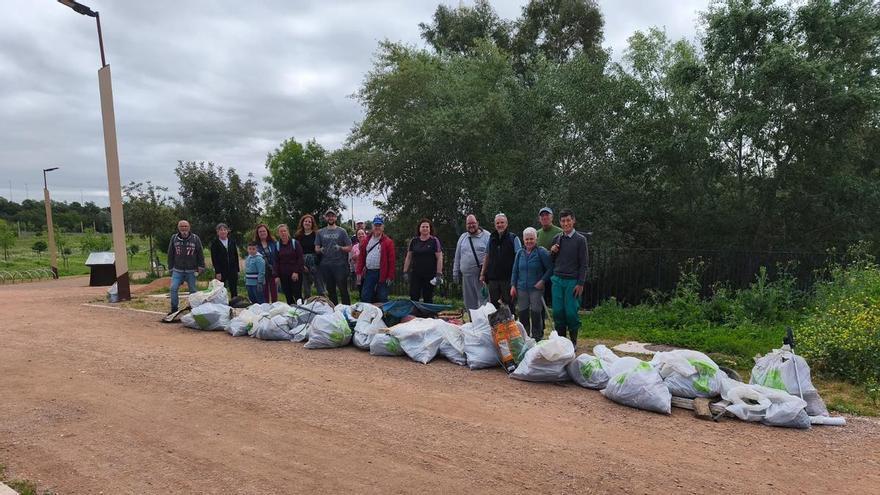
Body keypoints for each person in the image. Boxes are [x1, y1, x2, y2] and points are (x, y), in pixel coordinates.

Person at [549, 209, 588, 347]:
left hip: (573, 281)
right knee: (558, 312)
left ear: (573, 220)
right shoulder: (557, 239)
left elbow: (584, 264)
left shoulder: (580, 240)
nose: (566, 223)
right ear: (560, 222)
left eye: (568, 220)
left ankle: (573, 341)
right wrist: (552, 252)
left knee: (571, 313)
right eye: (563, 221)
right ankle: (562, 343)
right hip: (557, 279)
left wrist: (581, 283)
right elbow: (552, 261)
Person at [510, 227, 553, 341]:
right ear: (523, 240)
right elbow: (515, 271)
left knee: (536, 313)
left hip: (536, 289)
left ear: (536, 239)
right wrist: (513, 285)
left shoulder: (541, 252)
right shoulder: (520, 253)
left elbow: (550, 269)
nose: (529, 241)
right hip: (521, 288)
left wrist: (543, 281)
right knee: (523, 313)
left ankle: (537, 337)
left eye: (531, 239)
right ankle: (525, 338)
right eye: (526, 239)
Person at [480, 213, 522, 315]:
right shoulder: (491, 238)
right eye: (497, 223)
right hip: (493, 279)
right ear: (495, 225)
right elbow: (487, 255)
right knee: (494, 307)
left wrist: (517, 277)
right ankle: (497, 329)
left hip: (508, 279)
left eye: (502, 222)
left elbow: (519, 257)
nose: (500, 225)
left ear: (506, 224)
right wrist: (482, 273)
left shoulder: (513, 238)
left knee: (509, 307)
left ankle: (511, 328)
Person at [452, 214, 490, 310]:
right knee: (469, 303)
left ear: (477, 223)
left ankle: (484, 323)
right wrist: (455, 272)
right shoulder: (463, 237)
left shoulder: (487, 236)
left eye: (473, 223)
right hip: (466, 276)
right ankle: (472, 322)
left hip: (481, 276)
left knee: (484, 302)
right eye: (468, 224)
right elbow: (457, 256)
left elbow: (492, 256)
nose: (471, 225)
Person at [315, 209, 353, 305]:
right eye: (328, 216)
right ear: (325, 218)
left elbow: (349, 247)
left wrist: (340, 248)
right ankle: (334, 310)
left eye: (332, 216)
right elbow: (316, 248)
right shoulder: (320, 232)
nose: (330, 218)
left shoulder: (342, 231)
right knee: (331, 290)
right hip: (326, 265)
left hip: (340, 265)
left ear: (335, 218)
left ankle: (346, 310)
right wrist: (320, 250)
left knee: (343, 290)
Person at [167, 220, 205, 313]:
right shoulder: (174, 238)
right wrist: (170, 267)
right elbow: (170, 253)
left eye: (186, 226)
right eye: (182, 226)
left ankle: (194, 309)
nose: (184, 228)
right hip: (177, 269)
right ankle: (174, 309)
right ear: (178, 228)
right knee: (173, 288)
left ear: (189, 227)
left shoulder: (195, 238)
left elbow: (200, 252)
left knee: (193, 290)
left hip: (191, 270)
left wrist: (201, 266)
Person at [356, 216, 396, 304]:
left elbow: (391, 261)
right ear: (372, 227)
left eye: (379, 225)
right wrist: (358, 272)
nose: (377, 227)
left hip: (382, 272)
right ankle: (366, 315)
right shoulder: (366, 240)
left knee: (382, 296)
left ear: (383, 227)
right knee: (365, 295)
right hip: (369, 272)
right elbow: (361, 258)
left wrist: (390, 276)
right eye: (375, 225)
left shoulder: (388, 242)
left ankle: (384, 315)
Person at [403, 218, 443, 303]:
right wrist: (405, 271)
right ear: (419, 229)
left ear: (430, 229)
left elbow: (439, 257)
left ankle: (428, 315)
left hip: (429, 275)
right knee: (414, 296)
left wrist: (439, 274)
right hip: (416, 274)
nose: (425, 228)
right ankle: (414, 315)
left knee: (428, 297)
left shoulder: (434, 241)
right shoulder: (414, 241)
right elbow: (409, 257)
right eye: (423, 226)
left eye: (427, 227)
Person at [536, 207, 562, 307]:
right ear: (539, 219)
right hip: (540, 273)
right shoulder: (537, 233)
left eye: (547, 215)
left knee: (555, 301)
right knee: (540, 301)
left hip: (555, 273)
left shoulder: (559, 232)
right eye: (542, 215)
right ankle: (541, 321)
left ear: (552, 217)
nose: (544, 217)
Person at [295, 214, 324, 298]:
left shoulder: (317, 234)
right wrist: (301, 265)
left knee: (320, 286)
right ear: (302, 223)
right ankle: (307, 305)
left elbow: (320, 249)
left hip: (315, 262)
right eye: (305, 221)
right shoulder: (298, 235)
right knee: (306, 288)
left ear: (312, 224)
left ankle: (324, 304)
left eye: (309, 222)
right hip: (303, 261)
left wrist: (318, 263)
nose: (307, 223)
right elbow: (296, 252)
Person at [209, 223, 240, 301]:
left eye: (224, 230)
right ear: (217, 232)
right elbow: (214, 259)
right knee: (221, 289)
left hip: (232, 269)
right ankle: (222, 304)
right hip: (221, 270)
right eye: (220, 230)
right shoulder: (215, 243)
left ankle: (234, 303)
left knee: (234, 288)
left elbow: (235, 256)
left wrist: (237, 269)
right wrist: (217, 272)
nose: (223, 231)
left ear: (227, 231)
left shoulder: (232, 241)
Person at [274, 224, 304, 304]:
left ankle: (301, 311)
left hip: (295, 274)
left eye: (284, 231)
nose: (283, 233)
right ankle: (292, 313)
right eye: (281, 231)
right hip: (283, 275)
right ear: (278, 233)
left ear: (288, 232)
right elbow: (276, 261)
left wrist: (296, 272)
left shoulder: (295, 243)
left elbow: (300, 258)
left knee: (298, 295)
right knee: (288, 295)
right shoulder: (277, 245)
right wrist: (276, 276)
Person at [253, 223, 279, 303]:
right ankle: (266, 310)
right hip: (261, 273)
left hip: (273, 272)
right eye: (260, 232)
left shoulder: (273, 243)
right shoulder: (255, 245)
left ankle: (275, 309)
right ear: (258, 234)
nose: (262, 233)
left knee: (274, 293)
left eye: (264, 231)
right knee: (264, 294)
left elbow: (277, 258)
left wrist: (277, 274)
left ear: (267, 232)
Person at [349, 228, 367, 296]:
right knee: (361, 290)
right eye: (359, 234)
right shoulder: (354, 247)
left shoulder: (369, 245)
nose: (361, 235)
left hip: (368, 272)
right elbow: (351, 259)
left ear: (365, 235)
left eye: (362, 233)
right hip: (359, 272)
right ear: (357, 236)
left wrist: (358, 256)